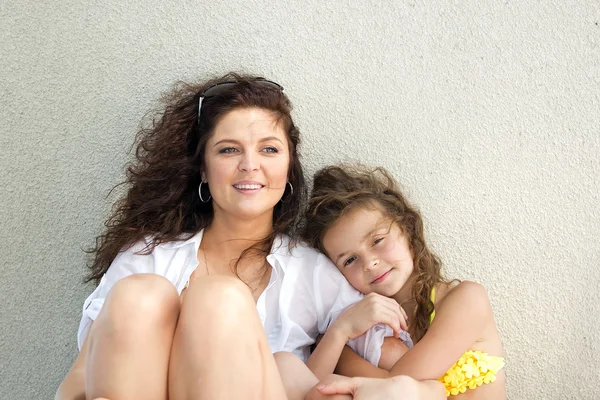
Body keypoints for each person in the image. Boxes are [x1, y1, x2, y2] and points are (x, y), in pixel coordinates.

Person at [55, 74, 444, 400]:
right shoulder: (148, 257)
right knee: (142, 294)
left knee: (218, 298)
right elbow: (77, 384)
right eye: (228, 150)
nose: (250, 166)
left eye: (269, 149)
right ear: (203, 170)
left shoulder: (314, 272)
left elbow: (409, 373)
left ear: (288, 166)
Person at [303, 164, 506, 399]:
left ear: (407, 228)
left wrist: (339, 355)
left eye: (377, 240)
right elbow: (309, 388)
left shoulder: (467, 299)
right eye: (350, 260)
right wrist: (340, 331)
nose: (369, 263)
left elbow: (395, 388)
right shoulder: (362, 326)